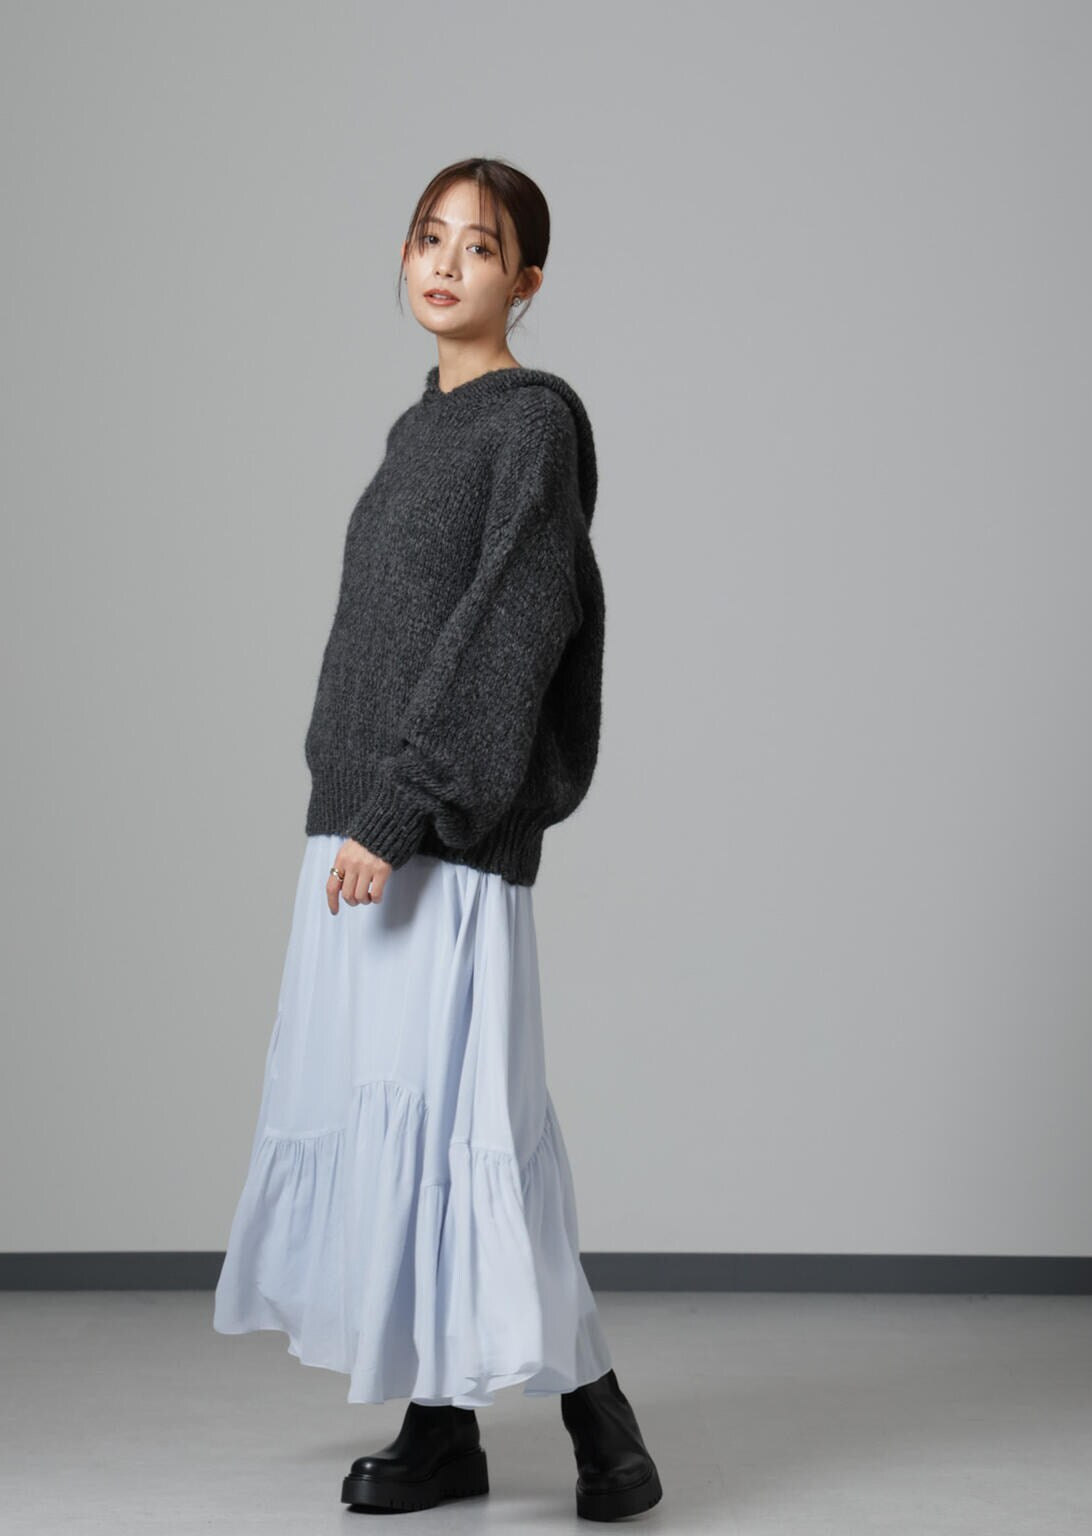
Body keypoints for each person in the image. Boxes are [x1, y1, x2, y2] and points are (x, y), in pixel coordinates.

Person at [212, 157, 662, 1522]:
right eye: (427, 237)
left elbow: (515, 622)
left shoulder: (535, 422)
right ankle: (446, 1432)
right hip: (362, 833)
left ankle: (604, 1435)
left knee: (470, 1132)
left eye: (480, 244)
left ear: (527, 280)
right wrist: (350, 807)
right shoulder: (419, 430)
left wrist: (406, 804)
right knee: (408, 1143)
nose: (446, 262)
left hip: (437, 837)